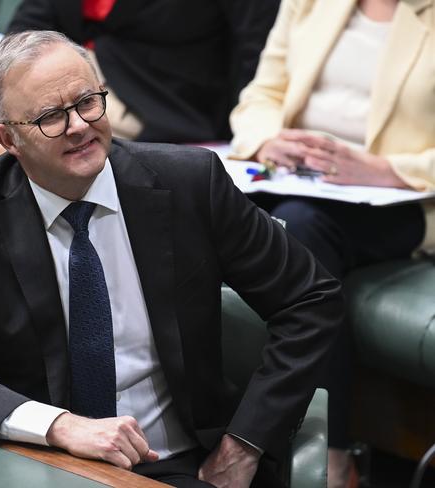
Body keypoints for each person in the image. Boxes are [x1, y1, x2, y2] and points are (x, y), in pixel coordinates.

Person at [0, 30, 343, 488]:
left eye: (87, 102)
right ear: (8, 139)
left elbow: (311, 299)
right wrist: (60, 426)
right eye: (51, 116)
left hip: (180, 465)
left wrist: (244, 444)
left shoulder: (191, 183)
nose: (78, 126)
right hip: (41, 464)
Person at [0, 0, 281, 373]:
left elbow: (256, 51)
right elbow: (31, 19)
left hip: (144, 93)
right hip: (47, 68)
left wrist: (251, 135)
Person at [229, 0, 435, 486]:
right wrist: (268, 141)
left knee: (298, 231)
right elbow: (262, 93)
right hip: (300, 183)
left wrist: (387, 170)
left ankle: (330, 453)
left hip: (405, 199)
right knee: (209, 206)